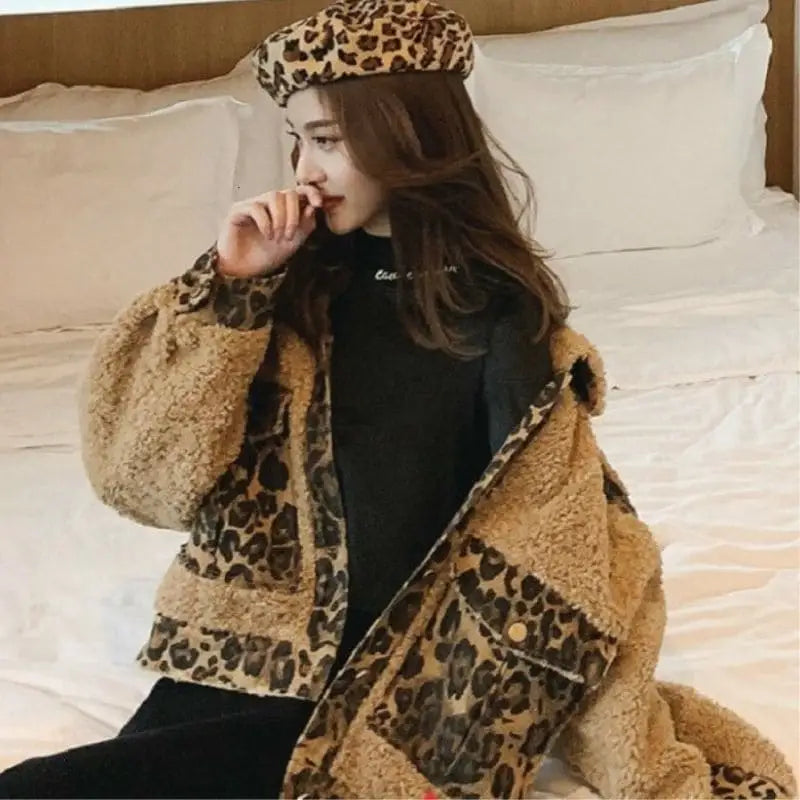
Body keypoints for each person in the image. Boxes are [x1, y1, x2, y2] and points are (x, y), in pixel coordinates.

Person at [0, 1, 795, 799]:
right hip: (255, 655)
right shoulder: (283, 288)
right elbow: (142, 480)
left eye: (326, 140)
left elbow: (557, 539)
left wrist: (625, 749)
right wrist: (231, 289)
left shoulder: (497, 314)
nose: (303, 171)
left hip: (415, 684)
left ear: (409, 134)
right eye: (296, 141)